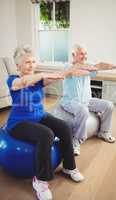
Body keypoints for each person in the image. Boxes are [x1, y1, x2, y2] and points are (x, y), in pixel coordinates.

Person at [5, 45, 85, 200]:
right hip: (18, 123)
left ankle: (69, 167)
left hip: (39, 116)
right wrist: (42, 74)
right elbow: (24, 82)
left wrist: (71, 71)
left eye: (33, 61)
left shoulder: (38, 80)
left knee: (64, 127)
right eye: (27, 62)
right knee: (46, 134)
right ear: (18, 65)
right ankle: (40, 180)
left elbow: (59, 75)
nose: (31, 64)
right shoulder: (12, 80)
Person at [60, 44, 116, 156]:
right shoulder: (67, 67)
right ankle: (76, 140)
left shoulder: (88, 65)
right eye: (82, 54)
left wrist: (112, 66)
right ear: (74, 55)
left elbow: (100, 65)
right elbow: (77, 72)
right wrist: (91, 68)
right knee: (83, 111)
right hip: (70, 101)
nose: (85, 56)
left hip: (87, 100)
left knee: (109, 105)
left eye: (86, 53)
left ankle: (103, 132)